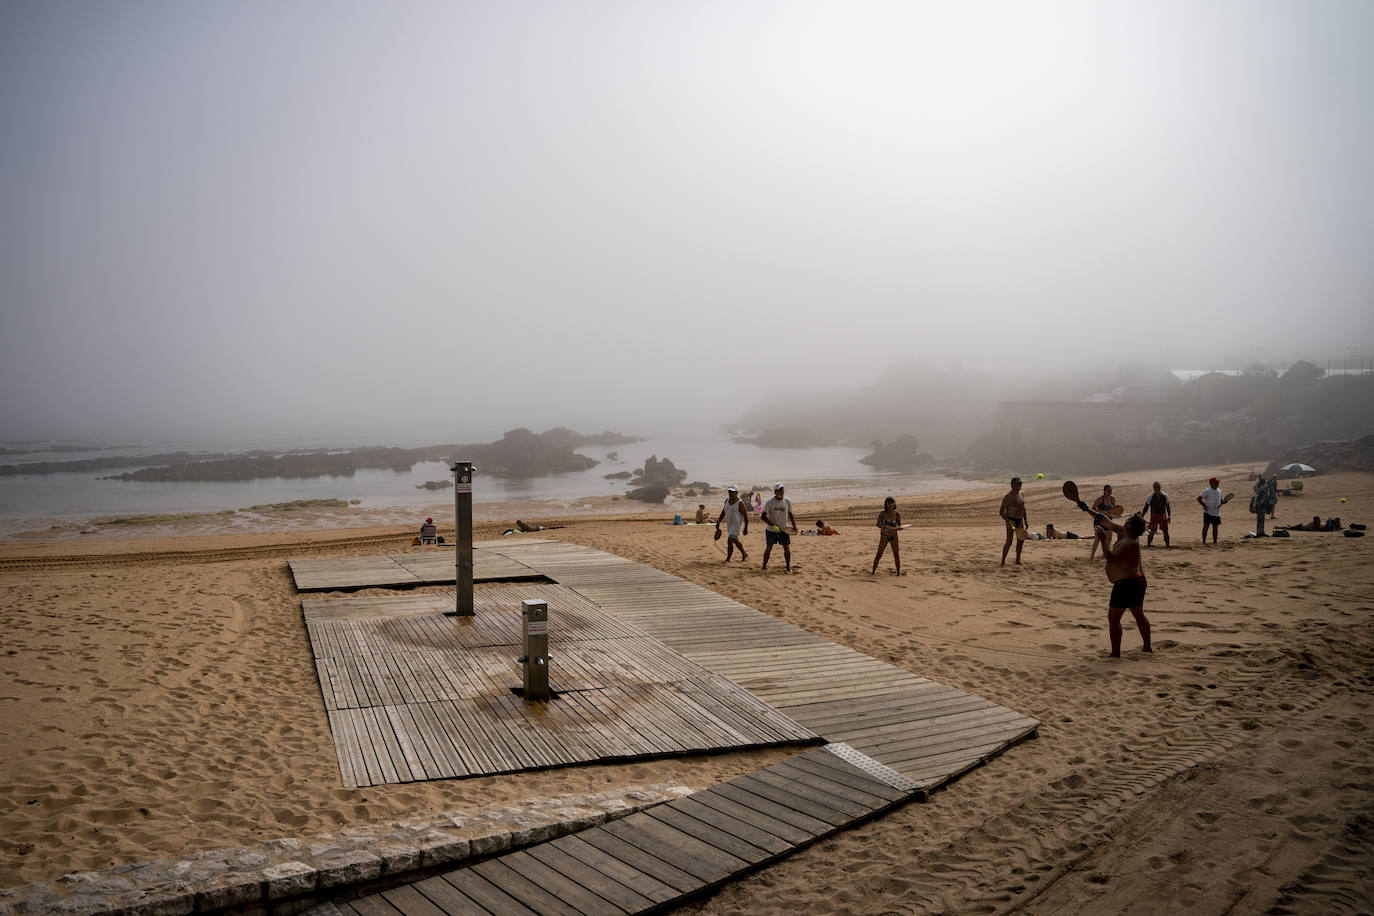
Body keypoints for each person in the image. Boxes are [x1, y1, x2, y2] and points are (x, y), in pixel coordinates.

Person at [1093, 513, 1152, 658]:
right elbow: (1106, 521)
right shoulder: (1125, 533)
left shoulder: (1129, 543)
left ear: (1130, 526)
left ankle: (1115, 653)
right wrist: (1085, 508)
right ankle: (1147, 647)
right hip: (1138, 581)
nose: (1126, 520)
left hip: (1127, 584)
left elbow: (1111, 557)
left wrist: (1103, 541)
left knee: (1113, 618)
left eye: (1128, 520)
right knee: (1138, 614)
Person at [760, 483, 798, 572]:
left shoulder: (787, 501)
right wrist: (772, 525)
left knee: (786, 548)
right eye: (778, 490)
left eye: (782, 490)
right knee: (769, 548)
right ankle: (764, 567)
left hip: (784, 529)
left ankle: (788, 567)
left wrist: (794, 525)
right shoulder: (770, 502)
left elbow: (790, 514)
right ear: (775, 492)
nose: (780, 492)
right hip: (771, 530)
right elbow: (763, 516)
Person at [713, 486, 750, 562]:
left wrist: (745, 528)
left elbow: (746, 516)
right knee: (735, 541)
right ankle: (744, 554)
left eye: (732, 492)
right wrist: (718, 521)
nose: (730, 494)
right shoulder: (727, 500)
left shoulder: (740, 503)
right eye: (729, 492)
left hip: (737, 525)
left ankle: (728, 559)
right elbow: (723, 511)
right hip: (730, 525)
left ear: (736, 493)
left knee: (730, 540)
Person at [998, 477, 1028, 566]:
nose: (1020, 485)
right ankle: (1003, 561)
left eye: (1020, 483)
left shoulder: (1021, 494)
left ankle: (1017, 560)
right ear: (1012, 485)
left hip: (1019, 521)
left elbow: (1023, 507)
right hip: (1011, 521)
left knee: (1020, 540)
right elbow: (1001, 511)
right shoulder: (1008, 497)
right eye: (1018, 483)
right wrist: (1008, 521)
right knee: (1009, 541)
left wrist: (1025, 520)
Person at [871, 497, 904, 575]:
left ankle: (898, 573)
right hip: (884, 536)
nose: (890, 505)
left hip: (894, 536)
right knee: (879, 554)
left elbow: (899, 525)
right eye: (888, 503)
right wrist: (886, 526)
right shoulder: (882, 513)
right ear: (886, 504)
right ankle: (873, 572)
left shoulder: (897, 514)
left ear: (894, 504)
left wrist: (900, 528)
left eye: (892, 503)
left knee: (896, 554)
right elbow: (878, 524)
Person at [1197, 477, 1232, 544]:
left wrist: (1223, 502)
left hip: (1216, 512)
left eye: (1218, 482)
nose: (1218, 483)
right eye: (1216, 482)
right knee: (1206, 527)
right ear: (1211, 483)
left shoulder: (1220, 491)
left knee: (1215, 528)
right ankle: (1204, 542)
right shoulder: (1207, 491)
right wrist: (1204, 505)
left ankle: (1215, 542)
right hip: (1207, 512)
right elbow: (1199, 499)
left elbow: (1221, 501)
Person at [1088, 485, 1117, 560]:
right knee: (1097, 539)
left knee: (1109, 538)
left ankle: (1105, 554)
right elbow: (1093, 508)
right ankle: (1092, 557)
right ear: (1104, 491)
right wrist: (1103, 512)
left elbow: (1114, 509)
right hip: (1099, 521)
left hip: (1109, 521)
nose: (1110, 492)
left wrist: (1114, 512)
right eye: (1108, 491)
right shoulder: (1100, 499)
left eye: (1111, 490)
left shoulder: (1112, 499)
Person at [1140, 482, 1172, 548]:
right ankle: (1148, 545)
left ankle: (1167, 546)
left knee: (1165, 531)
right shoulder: (1150, 496)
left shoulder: (1165, 496)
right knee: (1152, 531)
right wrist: (1142, 515)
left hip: (1163, 515)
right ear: (1153, 488)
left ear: (1160, 487)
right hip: (1154, 515)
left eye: (1158, 487)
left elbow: (1168, 507)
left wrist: (1169, 516)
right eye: (1155, 487)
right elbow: (1146, 507)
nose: (1157, 488)